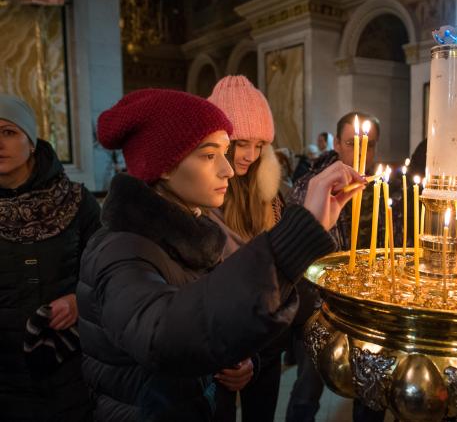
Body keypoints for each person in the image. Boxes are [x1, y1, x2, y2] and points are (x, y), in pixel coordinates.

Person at [76, 89, 363, 421]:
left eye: (226, 152)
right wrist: (293, 238)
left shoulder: (192, 237)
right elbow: (164, 335)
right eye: (209, 155)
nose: (228, 169)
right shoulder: (121, 249)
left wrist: (241, 360)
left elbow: (212, 312)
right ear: (165, 165)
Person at [0, 94, 101, 421]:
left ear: (31, 141)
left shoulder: (75, 202)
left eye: (8, 132)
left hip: (70, 366)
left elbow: (106, 273)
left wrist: (77, 300)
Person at [286, 112, 388, 422]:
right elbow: (296, 245)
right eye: (351, 142)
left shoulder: (385, 187)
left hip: (372, 308)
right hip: (323, 307)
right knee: (307, 388)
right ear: (337, 143)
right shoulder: (312, 184)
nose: (361, 151)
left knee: (371, 391)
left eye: (369, 145)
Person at [206, 75, 287, 421]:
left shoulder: (272, 200)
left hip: (265, 346)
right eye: (241, 144)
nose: (251, 156)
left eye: (259, 145)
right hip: (215, 348)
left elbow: (280, 282)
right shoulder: (204, 197)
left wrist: (256, 357)